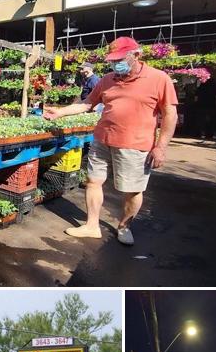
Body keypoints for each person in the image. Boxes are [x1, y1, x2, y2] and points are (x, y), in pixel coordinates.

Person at [43, 37, 178, 246]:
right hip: (102, 139)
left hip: (135, 145)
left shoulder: (159, 79)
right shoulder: (107, 79)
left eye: (120, 59)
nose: (116, 64)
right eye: (113, 60)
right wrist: (59, 113)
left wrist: (161, 147)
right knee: (93, 181)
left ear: (136, 55)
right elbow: (87, 104)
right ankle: (92, 226)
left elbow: (170, 114)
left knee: (132, 190)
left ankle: (124, 227)